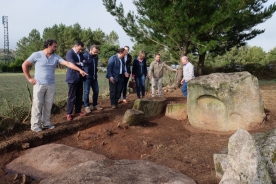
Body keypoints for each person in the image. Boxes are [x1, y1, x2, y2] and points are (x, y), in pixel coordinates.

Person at [22, 39, 87, 132]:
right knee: (37, 104)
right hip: (39, 84)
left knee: (48, 105)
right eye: (54, 46)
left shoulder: (56, 57)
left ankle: (46, 123)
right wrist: (29, 78)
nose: (56, 48)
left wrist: (80, 70)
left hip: (51, 85)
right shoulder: (37, 54)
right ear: (49, 45)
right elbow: (25, 64)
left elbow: (68, 63)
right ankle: (35, 125)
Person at [65, 41, 87, 121]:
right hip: (72, 78)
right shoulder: (69, 53)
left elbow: (85, 62)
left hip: (80, 77)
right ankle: (69, 113)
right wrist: (81, 63)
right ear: (75, 46)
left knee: (79, 95)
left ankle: (78, 111)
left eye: (81, 50)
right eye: (79, 49)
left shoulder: (80, 54)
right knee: (71, 96)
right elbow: (72, 64)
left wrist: (79, 63)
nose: (81, 51)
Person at [83, 45, 103, 113]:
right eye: (94, 52)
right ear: (90, 50)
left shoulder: (96, 57)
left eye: (97, 52)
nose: (96, 54)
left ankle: (95, 105)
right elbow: (81, 65)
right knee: (87, 92)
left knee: (96, 91)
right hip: (87, 78)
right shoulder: (85, 56)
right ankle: (87, 106)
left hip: (94, 77)